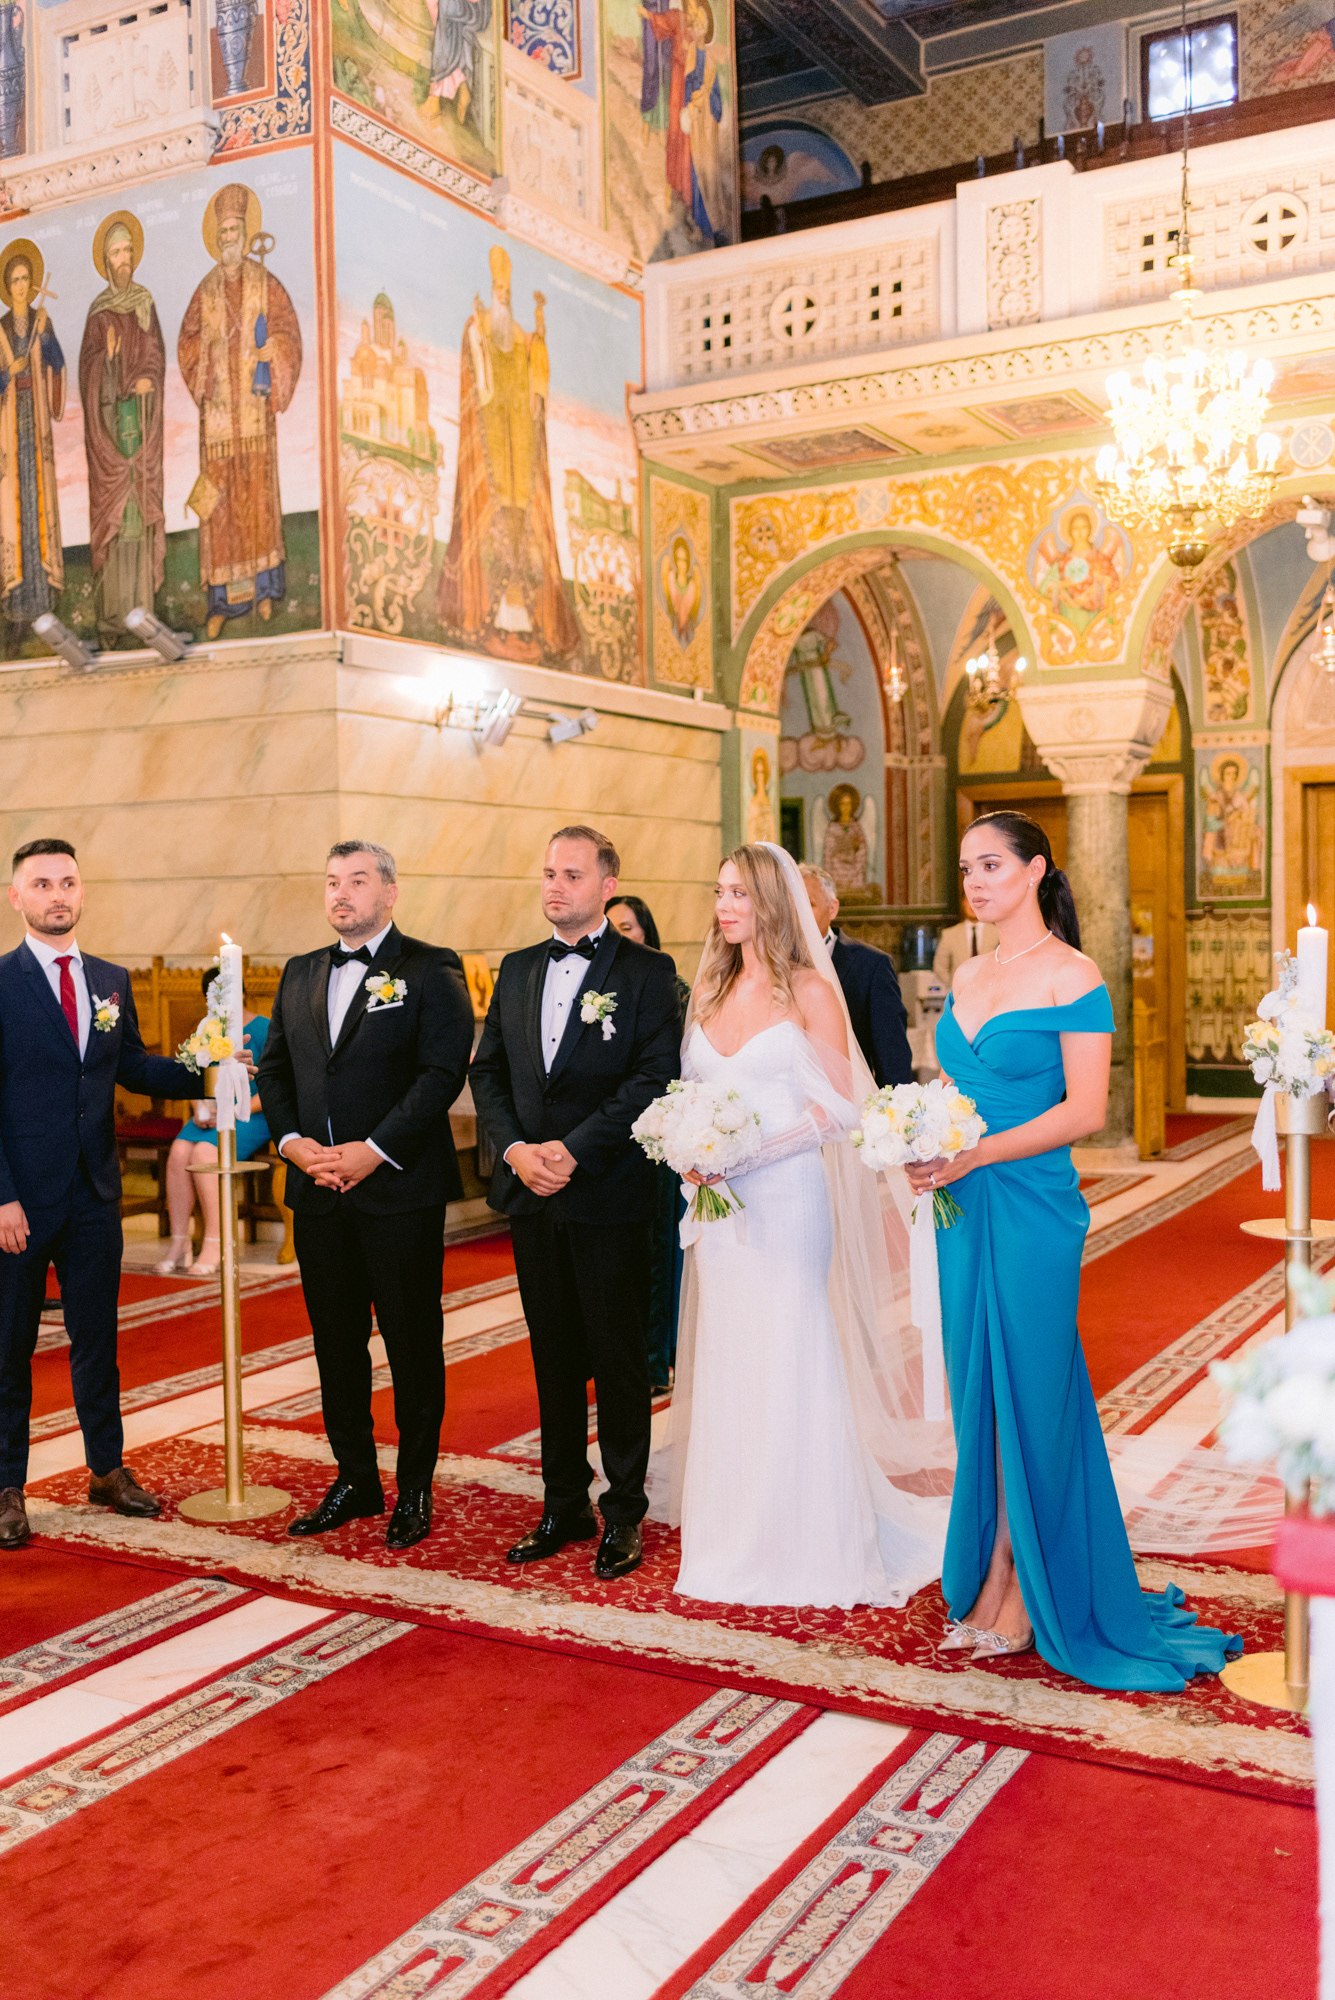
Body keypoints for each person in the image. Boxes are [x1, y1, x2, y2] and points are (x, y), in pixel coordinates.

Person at [914, 808, 1240, 1687]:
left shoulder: (1073, 973)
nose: (974, 882)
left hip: (1029, 1203)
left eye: (990, 865)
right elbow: (951, 1087)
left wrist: (976, 1151)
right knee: (978, 1388)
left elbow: (1085, 1110)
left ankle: (1026, 1585)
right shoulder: (968, 971)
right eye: (965, 868)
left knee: (1032, 1387)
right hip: (960, 1203)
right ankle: (991, 1568)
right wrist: (921, 1140)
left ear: (1034, 870)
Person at [665, 842, 952, 1609]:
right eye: (719, 892)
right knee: (730, 1354)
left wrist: (749, 1152)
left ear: (771, 901)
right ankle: (733, 1533)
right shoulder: (709, 988)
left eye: (738, 893)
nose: (724, 907)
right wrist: (688, 1150)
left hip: (787, 1196)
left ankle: (806, 1537)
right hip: (718, 1204)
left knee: (790, 1347)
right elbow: (688, 1095)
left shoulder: (808, 991)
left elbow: (843, 1108)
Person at [471, 827, 680, 1580]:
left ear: (606, 885)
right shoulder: (519, 967)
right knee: (552, 1357)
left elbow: (653, 1074)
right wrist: (518, 1151)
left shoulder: (648, 972)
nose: (554, 886)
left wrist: (574, 1149)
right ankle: (562, 1503)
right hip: (533, 1193)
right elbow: (489, 1071)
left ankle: (623, 1512)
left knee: (619, 1361)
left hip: (609, 1190)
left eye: (571, 874)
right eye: (548, 873)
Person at [256, 841, 474, 1554]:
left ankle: (414, 1487)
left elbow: (440, 1073)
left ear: (389, 892)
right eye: (332, 882)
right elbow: (275, 1070)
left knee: (412, 1342)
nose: (341, 894)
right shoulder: (300, 971)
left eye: (356, 881)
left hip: (398, 1190)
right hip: (319, 1190)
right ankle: (355, 1477)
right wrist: (292, 1144)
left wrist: (373, 1151)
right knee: (335, 1344)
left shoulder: (430, 967)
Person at [0, 839, 213, 1549]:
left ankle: (106, 1469)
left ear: (82, 891)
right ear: (17, 898)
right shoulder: (1, 983)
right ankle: (6, 1487)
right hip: (20, 1203)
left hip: (94, 1194)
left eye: (67, 881)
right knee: (9, 1347)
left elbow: (136, 1068)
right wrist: (1, 1198)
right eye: (41, 884)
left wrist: (205, 1061)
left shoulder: (108, 981)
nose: (57, 894)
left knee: (98, 1339)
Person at [177, 183, 303, 639]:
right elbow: (187, 342)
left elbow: (288, 331)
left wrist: (275, 349)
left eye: (235, 229)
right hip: (218, 419)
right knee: (220, 508)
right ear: (216, 237)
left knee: (257, 501)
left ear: (246, 234)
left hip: (253, 412)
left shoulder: (266, 284)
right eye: (224, 231)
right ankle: (221, 603)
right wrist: (206, 356)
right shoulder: (205, 290)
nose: (229, 237)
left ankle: (264, 591)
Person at [605, 893, 688, 1395]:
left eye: (628, 928)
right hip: (602, 1141)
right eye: (611, 927)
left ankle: (655, 1361)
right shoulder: (592, 986)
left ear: (646, 933)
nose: (618, 937)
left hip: (653, 1140)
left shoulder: (671, 989)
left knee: (656, 1256)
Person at [79, 213, 166, 646]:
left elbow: (155, 356)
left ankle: (142, 610)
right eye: (116, 252)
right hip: (110, 429)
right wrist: (107, 360)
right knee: (115, 520)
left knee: (138, 517)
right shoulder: (98, 315)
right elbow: (87, 373)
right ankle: (113, 618)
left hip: (140, 422)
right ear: (106, 261)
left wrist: (147, 377)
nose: (124, 258)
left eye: (128, 250)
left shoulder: (145, 304)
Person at [155, 968, 271, 1278]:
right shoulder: (207, 1029)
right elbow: (193, 1075)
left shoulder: (265, 1028)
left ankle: (216, 1243)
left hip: (252, 1113)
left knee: (204, 1153)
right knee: (179, 1151)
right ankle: (179, 1243)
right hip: (212, 1114)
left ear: (242, 993)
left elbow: (276, 1086)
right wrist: (199, 1108)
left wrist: (231, 1110)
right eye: (213, 996)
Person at [0, 241, 65, 644]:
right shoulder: (1, 330)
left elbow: (57, 364)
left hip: (35, 428)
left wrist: (47, 339)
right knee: (15, 512)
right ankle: (17, 606)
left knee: (38, 508)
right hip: (10, 431)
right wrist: (9, 372)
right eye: (15, 280)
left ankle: (42, 600)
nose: (22, 286)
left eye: (26, 278)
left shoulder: (43, 319)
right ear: (7, 287)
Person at [799, 863, 912, 1089]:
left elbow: (892, 1057)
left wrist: (892, 1107)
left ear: (832, 909)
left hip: (848, 1095)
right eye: (790, 903)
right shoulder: (767, 963)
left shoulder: (871, 965)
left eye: (808, 904)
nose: (797, 913)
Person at [933, 901, 997, 986]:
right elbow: (940, 966)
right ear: (963, 904)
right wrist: (953, 985)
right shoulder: (950, 934)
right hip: (960, 990)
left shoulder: (997, 933)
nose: (972, 905)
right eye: (968, 901)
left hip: (990, 989)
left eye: (976, 900)